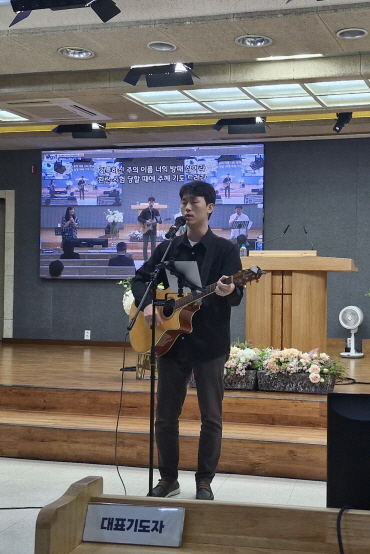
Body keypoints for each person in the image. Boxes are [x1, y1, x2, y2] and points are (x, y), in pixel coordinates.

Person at [132, 181, 243, 501]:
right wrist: (148, 304)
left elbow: (236, 296)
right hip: (171, 343)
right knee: (166, 416)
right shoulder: (169, 248)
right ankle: (168, 479)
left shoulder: (224, 250)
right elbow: (141, 280)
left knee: (211, 417)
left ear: (210, 208)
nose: (187, 207)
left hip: (210, 344)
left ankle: (204, 481)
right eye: (183, 202)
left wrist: (230, 289)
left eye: (194, 202)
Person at [138, 197, 161, 261]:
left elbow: (159, 220)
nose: (151, 203)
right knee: (145, 246)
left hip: (153, 231)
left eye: (152, 202)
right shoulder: (144, 211)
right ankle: (145, 260)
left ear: (154, 203)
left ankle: (152, 260)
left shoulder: (156, 211)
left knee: (153, 246)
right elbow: (139, 218)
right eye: (150, 202)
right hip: (146, 230)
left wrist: (160, 221)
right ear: (148, 202)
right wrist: (145, 221)